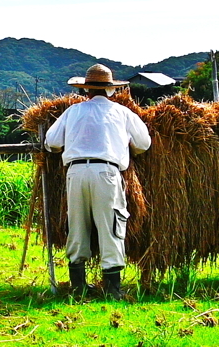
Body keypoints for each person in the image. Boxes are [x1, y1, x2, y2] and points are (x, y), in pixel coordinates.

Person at [45, 63, 151, 299]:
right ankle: (113, 290)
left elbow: (51, 142)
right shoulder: (122, 113)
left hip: (75, 171)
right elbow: (144, 144)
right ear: (111, 90)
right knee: (111, 225)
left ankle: (78, 287)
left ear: (86, 90)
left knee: (77, 225)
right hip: (107, 172)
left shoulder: (72, 112)